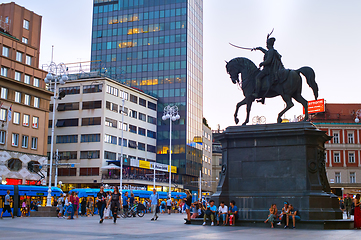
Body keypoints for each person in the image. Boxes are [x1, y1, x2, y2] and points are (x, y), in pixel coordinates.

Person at [252, 35, 285, 104]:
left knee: (258, 77)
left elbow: (268, 61)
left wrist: (262, 63)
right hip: (270, 69)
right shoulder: (271, 51)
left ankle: (257, 93)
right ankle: (263, 97)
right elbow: (264, 51)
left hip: (268, 69)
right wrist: (258, 48)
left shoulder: (271, 51)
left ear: (269, 44)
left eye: (267, 44)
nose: (266, 45)